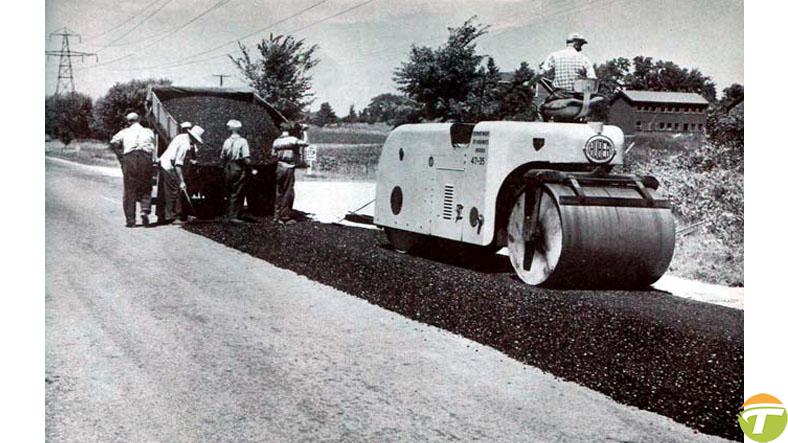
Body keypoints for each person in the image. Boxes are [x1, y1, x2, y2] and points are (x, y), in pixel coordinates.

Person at [110, 112, 157, 227]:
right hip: (145, 158)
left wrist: (121, 157)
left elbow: (113, 142)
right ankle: (144, 210)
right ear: (139, 119)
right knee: (146, 186)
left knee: (129, 189)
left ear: (128, 121)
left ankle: (131, 220)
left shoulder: (125, 132)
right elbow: (153, 146)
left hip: (130, 158)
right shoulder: (148, 131)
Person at [157, 124, 204, 225]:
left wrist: (191, 161)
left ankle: (163, 216)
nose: (196, 142)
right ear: (193, 137)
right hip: (168, 166)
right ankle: (172, 217)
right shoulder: (185, 145)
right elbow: (178, 164)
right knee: (173, 191)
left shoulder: (182, 137)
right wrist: (182, 181)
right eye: (195, 140)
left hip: (166, 163)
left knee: (167, 191)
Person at [272, 128, 309, 224]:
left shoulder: (276, 141)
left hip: (279, 167)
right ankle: (285, 216)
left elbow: (273, 155)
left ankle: (276, 216)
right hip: (288, 167)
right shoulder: (292, 140)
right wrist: (304, 132)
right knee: (288, 191)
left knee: (279, 192)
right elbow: (306, 143)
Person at [220, 119, 251, 223]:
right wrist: (250, 167)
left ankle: (229, 213)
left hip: (228, 167)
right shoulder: (243, 141)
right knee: (238, 191)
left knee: (229, 191)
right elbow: (246, 157)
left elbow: (222, 156)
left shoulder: (226, 141)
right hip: (238, 166)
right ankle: (234, 216)